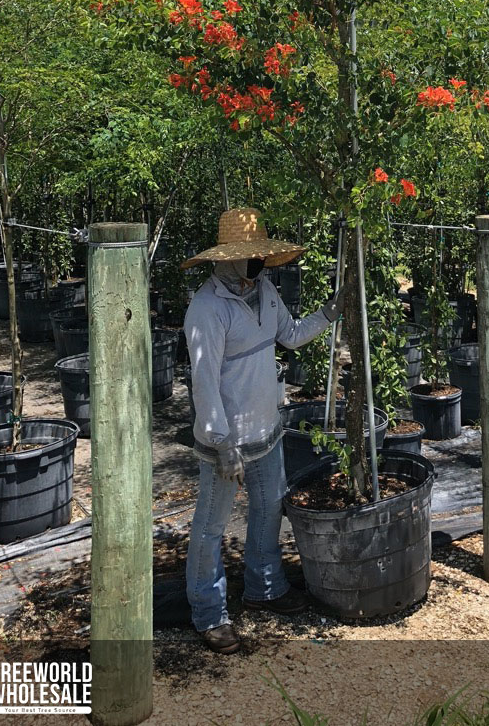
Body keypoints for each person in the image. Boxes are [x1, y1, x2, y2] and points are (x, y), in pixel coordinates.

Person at [181, 207, 343, 653]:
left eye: (260, 259)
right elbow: (204, 381)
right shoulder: (207, 309)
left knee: (270, 508)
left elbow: (289, 335)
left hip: (267, 429)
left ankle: (265, 588)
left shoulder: (266, 292)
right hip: (226, 442)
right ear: (226, 260)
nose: (257, 267)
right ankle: (208, 612)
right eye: (250, 259)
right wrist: (220, 440)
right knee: (211, 527)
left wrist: (328, 314)